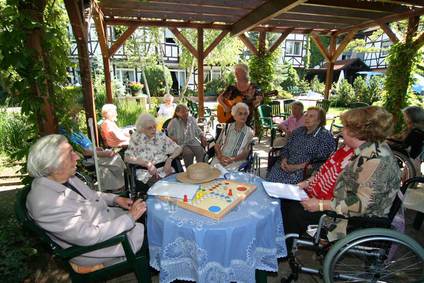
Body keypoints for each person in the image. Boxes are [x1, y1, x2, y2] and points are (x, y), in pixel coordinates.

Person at [26, 135, 146, 270]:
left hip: (106, 223)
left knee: (151, 218)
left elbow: (90, 195)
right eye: (70, 153)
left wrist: (115, 199)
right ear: (53, 164)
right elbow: (88, 236)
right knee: (154, 232)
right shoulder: (46, 203)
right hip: (97, 249)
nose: (77, 156)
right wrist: (130, 217)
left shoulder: (62, 178)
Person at [284, 106, 400, 244]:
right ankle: (285, 245)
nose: (341, 130)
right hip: (340, 202)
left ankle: (284, 250)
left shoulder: (375, 160)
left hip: (352, 219)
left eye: (344, 127)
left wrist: (321, 205)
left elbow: (361, 203)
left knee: (294, 211)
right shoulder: (357, 149)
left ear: (356, 132)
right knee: (288, 201)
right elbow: (326, 172)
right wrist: (308, 183)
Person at [266, 107, 336, 184]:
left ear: (319, 120)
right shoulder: (298, 131)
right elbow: (286, 148)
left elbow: (321, 162)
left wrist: (296, 167)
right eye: (306, 115)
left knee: (284, 189)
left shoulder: (325, 137)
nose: (307, 118)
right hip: (284, 166)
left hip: (303, 172)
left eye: (311, 116)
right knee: (269, 183)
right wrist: (284, 160)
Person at [59, 127, 126, 192]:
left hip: (94, 153)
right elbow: (83, 152)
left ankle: (119, 184)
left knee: (116, 157)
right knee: (114, 159)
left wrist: (97, 148)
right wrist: (102, 153)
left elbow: (88, 145)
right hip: (89, 157)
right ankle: (118, 185)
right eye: (73, 116)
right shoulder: (67, 135)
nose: (75, 117)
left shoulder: (76, 131)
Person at [125, 113, 182, 186]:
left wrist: (170, 159)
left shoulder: (160, 135)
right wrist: (147, 164)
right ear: (141, 128)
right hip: (148, 174)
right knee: (162, 188)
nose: (153, 130)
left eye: (154, 127)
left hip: (166, 170)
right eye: (150, 128)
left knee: (179, 184)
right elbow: (127, 158)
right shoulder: (136, 138)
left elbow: (178, 148)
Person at [211, 102, 254, 170]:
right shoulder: (226, 127)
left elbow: (245, 153)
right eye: (240, 114)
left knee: (228, 174)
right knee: (212, 171)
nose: (243, 116)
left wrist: (232, 159)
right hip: (220, 157)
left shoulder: (249, 132)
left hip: (237, 160)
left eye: (245, 114)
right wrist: (220, 157)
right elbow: (217, 145)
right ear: (234, 116)